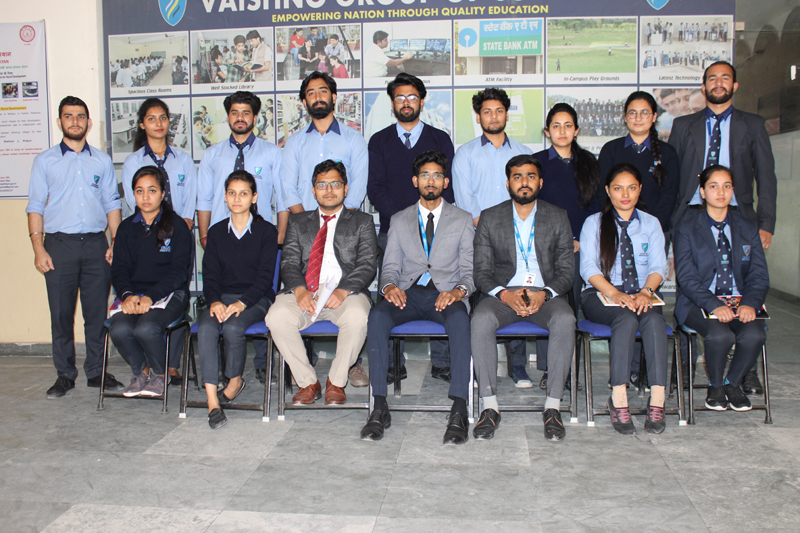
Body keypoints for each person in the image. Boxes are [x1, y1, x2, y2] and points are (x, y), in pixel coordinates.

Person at [669, 62, 777, 395]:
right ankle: (683, 368)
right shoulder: (684, 124)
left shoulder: (753, 125)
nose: (718, 83)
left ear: (735, 85)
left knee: (742, 287)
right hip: (689, 216)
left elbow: (766, 178)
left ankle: (745, 372)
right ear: (703, 87)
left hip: (739, 217)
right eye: (712, 79)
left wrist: (766, 223)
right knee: (690, 283)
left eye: (724, 78)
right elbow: (673, 175)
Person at [361, 151, 474, 444]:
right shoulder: (399, 220)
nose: (431, 181)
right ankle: (379, 405)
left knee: (461, 320)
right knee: (377, 316)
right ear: (415, 181)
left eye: (437, 175)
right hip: (408, 293)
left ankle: (460, 406)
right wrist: (388, 288)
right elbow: (388, 268)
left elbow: (470, 271)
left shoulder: (462, 220)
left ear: (446, 181)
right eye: (425, 175)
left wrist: (457, 292)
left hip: (446, 294)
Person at [471, 154, 577, 441]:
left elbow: (567, 272)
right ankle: (490, 406)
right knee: (480, 319)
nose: (524, 182)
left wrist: (545, 293)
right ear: (508, 184)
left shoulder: (557, 216)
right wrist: (505, 294)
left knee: (566, 319)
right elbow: (480, 273)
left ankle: (553, 407)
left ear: (540, 182)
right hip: (505, 294)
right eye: (517, 177)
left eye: (530, 176)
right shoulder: (490, 217)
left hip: (545, 293)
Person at [27, 96, 124, 399]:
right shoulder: (45, 161)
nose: (75, 121)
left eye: (80, 116)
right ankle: (65, 375)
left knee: (96, 313)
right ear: (60, 122)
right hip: (59, 246)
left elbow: (111, 203)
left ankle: (96, 372)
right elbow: (34, 207)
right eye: (68, 116)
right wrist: (38, 249)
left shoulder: (101, 161)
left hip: (97, 245)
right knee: (61, 314)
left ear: (88, 122)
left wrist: (115, 242)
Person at [264, 160, 378, 405]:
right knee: (276, 316)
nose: (329, 190)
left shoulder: (362, 221)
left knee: (358, 316)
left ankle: (336, 382)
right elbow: (289, 263)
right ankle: (308, 382)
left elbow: (367, 264)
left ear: (345, 189)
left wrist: (344, 289)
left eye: (335, 184)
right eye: (322, 185)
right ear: (313, 190)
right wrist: (300, 290)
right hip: (306, 291)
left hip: (346, 294)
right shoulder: (297, 222)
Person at [366, 73, 455, 384]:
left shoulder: (440, 139)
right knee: (393, 293)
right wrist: (405, 219)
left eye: (412, 97)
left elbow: (448, 187)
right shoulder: (379, 140)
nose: (406, 103)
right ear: (393, 103)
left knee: (439, 289)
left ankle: (442, 362)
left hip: (436, 230)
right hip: (394, 231)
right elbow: (375, 187)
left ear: (422, 100)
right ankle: (393, 362)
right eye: (400, 98)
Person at [198, 91, 286, 383]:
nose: (240, 117)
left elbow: (282, 200)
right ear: (227, 117)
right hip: (222, 239)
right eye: (234, 112)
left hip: (259, 238)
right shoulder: (212, 155)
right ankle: (226, 371)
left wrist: (279, 238)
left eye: (246, 112)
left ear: (255, 118)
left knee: (257, 296)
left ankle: (261, 363)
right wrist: (205, 236)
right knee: (220, 305)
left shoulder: (272, 152)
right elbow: (204, 199)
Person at [451, 88, 534, 387]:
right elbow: (465, 201)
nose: (493, 116)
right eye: (487, 111)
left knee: (520, 291)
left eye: (499, 110)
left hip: (520, 239)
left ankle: (518, 366)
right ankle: (481, 364)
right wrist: (491, 231)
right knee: (482, 301)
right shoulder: (466, 154)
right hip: (479, 238)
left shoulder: (523, 154)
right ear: (478, 116)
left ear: (507, 114)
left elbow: (529, 197)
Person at [580, 163, 668, 435]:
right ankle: (618, 398)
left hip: (643, 292)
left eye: (631, 188)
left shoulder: (651, 223)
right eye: (618, 188)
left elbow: (658, 268)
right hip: (601, 293)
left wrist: (645, 292)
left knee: (653, 320)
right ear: (608, 191)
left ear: (640, 189)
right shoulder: (593, 222)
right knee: (626, 319)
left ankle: (658, 399)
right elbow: (588, 269)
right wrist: (615, 293)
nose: (625, 194)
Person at [673, 165, 768, 412]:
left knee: (755, 334)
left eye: (727, 186)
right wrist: (715, 304)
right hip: (699, 301)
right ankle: (715, 386)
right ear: (703, 192)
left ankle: (732, 384)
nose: (721, 192)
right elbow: (686, 278)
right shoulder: (687, 228)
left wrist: (750, 302)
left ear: (733, 190)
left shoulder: (747, 227)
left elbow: (759, 273)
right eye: (713, 186)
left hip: (741, 299)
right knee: (720, 335)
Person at [198, 171, 279, 429]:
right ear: (224, 196)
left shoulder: (266, 231)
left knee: (233, 327)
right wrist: (214, 301)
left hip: (256, 298)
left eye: (243, 193)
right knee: (207, 328)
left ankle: (234, 380)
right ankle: (212, 401)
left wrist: (242, 302)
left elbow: (266, 277)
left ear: (253, 197)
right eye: (231, 193)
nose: (237, 198)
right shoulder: (217, 232)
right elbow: (209, 274)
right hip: (221, 298)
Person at [534, 103, 602, 389]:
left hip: (576, 248)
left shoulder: (590, 163)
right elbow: (529, 206)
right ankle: (549, 369)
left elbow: (596, 209)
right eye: (556, 126)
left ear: (576, 130)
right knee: (543, 304)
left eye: (568, 125)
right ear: (547, 130)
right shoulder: (535, 162)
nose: (562, 131)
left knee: (569, 309)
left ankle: (567, 366)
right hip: (542, 248)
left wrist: (578, 241)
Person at [109, 166, 192, 398]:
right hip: (134, 294)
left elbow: (178, 273)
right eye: (139, 191)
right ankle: (141, 372)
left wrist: (150, 296)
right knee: (120, 328)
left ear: (163, 193)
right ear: (132, 194)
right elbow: (119, 269)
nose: (145, 197)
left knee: (146, 328)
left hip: (169, 293)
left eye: (152, 190)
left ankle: (160, 374)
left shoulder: (177, 226)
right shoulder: (126, 228)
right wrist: (126, 295)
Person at [281, 72, 368, 214]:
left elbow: (357, 188)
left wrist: (339, 223)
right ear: (304, 102)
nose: (317, 98)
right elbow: (287, 187)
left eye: (323, 91)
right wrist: (305, 223)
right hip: (304, 225)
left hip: (344, 227)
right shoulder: (294, 142)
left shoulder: (354, 139)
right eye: (311, 94)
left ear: (333, 97)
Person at [599, 91, 679, 235]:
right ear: (625, 117)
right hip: (616, 230)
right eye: (632, 113)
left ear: (654, 116)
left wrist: (650, 227)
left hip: (655, 231)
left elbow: (669, 196)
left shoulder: (668, 153)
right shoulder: (611, 149)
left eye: (644, 113)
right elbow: (602, 192)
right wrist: (618, 224)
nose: (638, 118)